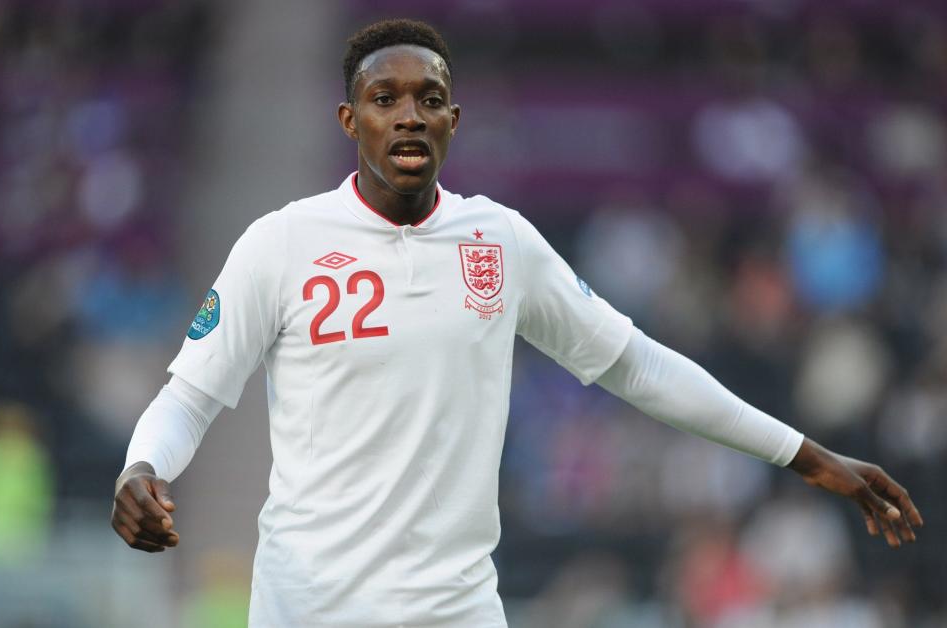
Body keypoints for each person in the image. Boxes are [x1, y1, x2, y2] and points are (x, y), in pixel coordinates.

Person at [111, 18, 923, 628]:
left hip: (456, 610)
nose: (407, 116)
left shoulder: (498, 242)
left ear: (453, 122)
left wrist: (801, 453)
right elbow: (190, 397)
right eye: (383, 98)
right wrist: (141, 467)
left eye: (428, 99)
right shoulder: (280, 244)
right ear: (347, 120)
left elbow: (636, 366)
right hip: (308, 608)